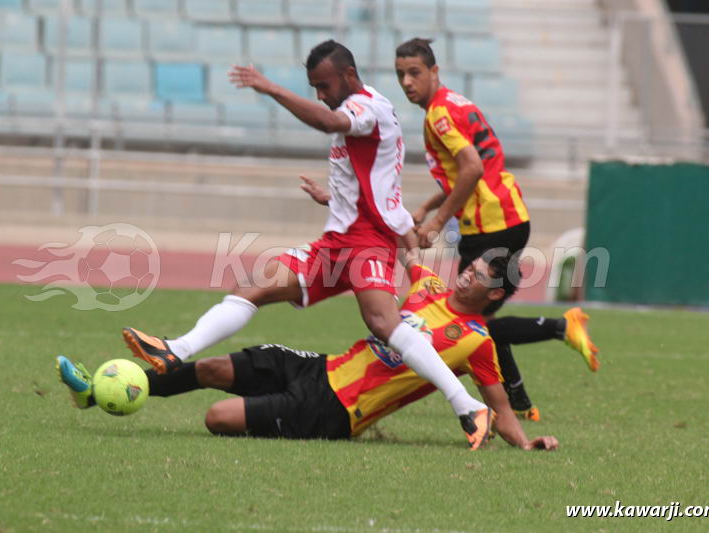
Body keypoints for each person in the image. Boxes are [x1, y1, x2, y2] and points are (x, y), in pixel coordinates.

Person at [121, 40, 492, 446]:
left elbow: (331, 124)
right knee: (252, 287)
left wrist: (273, 89)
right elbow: (374, 182)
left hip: (367, 242)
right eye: (313, 87)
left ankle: (467, 406)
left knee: (384, 323)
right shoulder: (357, 110)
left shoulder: (368, 107)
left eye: (324, 85)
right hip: (337, 243)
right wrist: (335, 198)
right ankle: (175, 348)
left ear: (349, 76)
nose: (320, 95)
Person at [57, 251, 566, 451]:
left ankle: (113, 391)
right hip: (320, 366)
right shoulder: (428, 284)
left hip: (334, 411)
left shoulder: (478, 341)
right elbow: (400, 240)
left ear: (496, 293)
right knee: (211, 367)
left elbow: (498, 408)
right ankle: (96, 394)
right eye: (471, 265)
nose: (468, 274)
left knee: (216, 418)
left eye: (479, 276)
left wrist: (525, 443)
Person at [393, 38, 600, 420]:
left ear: (434, 72)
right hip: (506, 217)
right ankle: (519, 403)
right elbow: (469, 171)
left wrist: (438, 222)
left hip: (490, 226)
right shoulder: (456, 103)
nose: (407, 82)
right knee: (478, 323)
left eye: (415, 73)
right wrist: (428, 206)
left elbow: (471, 169)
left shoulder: (438, 115)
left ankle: (560, 327)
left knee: (474, 326)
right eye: (401, 74)